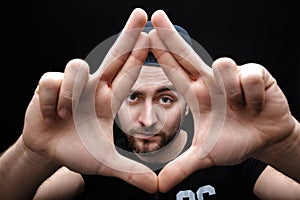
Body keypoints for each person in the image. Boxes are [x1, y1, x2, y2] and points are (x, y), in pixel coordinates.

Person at [1, 8, 300, 200]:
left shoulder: (233, 152)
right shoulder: (90, 161)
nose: (147, 119)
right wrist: (31, 153)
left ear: (187, 105)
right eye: (132, 97)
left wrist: (289, 145)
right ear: (114, 102)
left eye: (165, 98)